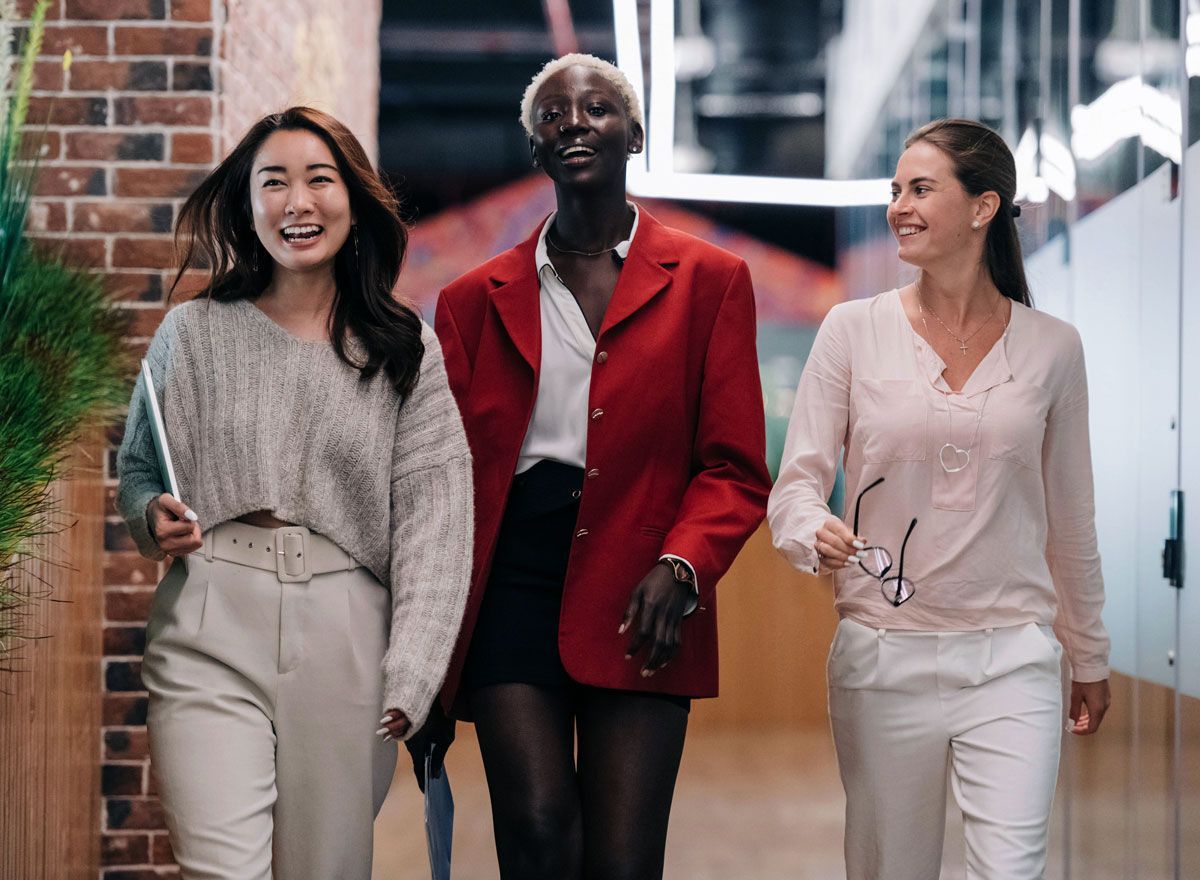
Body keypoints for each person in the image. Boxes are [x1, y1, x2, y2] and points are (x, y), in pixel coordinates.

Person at [408, 53, 771, 880]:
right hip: (510, 583)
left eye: (598, 108)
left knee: (623, 859)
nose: (575, 122)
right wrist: (426, 647)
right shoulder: (471, 299)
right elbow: (439, 481)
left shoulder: (712, 281)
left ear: (635, 134)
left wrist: (683, 566)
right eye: (554, 114)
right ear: (535, 147)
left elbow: (736, 466)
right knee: (535, 833)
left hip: (646, 585)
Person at [115, 107, 472, 880]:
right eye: (271, 183)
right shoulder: (192, 332)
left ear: (355, 197)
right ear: (248, 204)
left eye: (319, 179)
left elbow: (436, 523)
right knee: (220, 869)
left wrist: (415, 666)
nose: (295, 203)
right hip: (210, 614)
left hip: (349, 637)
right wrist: (153, 515)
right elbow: (141, 467)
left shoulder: (403, 350)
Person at [767, 118, 1111, 879]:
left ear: (984, 207)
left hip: (1013, 660)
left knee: (1012, 871)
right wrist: (810, 529)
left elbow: (1071, 516)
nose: (899, 207)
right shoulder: (851, 331)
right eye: (895, 191)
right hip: (882, 660)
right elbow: (796, 486)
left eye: (921, 189)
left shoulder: (1056, 348)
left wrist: (1087, 650)